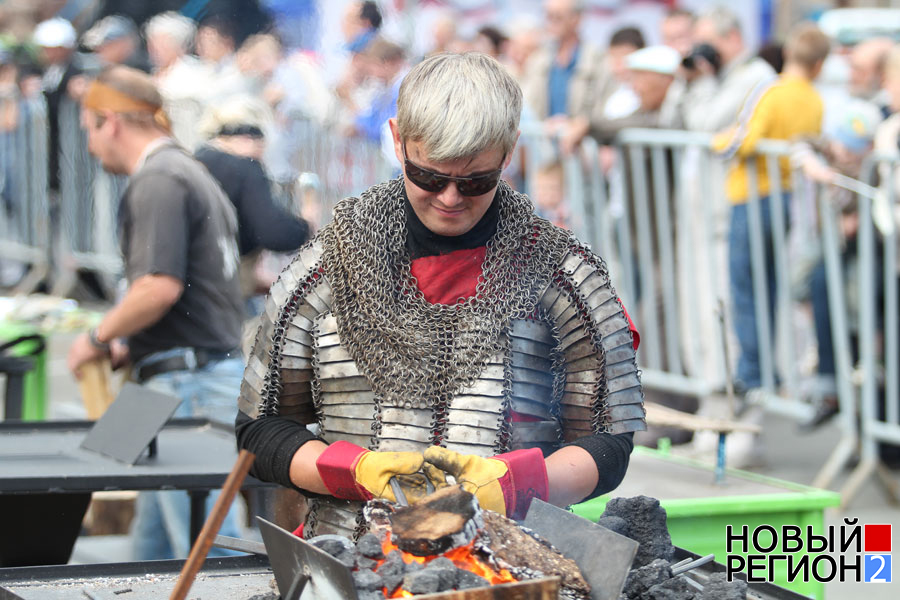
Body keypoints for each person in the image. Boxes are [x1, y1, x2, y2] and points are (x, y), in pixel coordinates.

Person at [235, 52, 644, 538]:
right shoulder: (325, 268)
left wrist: (518, 484)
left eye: (475, 181)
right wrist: (354, 471)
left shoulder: (563, 276)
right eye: (429, 176)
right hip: (352, 552)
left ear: (508, 152)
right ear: (397, 140)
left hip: (513, 557)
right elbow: (261, 432)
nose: (450, 198)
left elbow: (610, 440)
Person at [66, 65, 246, 559]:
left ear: (111, 121)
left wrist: (97, 338)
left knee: (207, 548)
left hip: (186, 379)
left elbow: (158, 287)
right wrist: (128, 338)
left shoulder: (160, 178)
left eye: (89, 131)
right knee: (154, 546)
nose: (90, 146)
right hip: (178, 372)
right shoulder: (186, 169)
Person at [713, 22, 831, 394]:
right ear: (819, 64)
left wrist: (715, 143)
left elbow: (744, 141)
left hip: (752, 196)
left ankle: (753, 371)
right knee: (769, 286)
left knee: (745, 287)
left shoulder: (771, 91)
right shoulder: (814, 98)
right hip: (783, 198)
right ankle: (766, 370)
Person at [195, 95, 311, 307]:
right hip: (225, 292)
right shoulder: (245, 168)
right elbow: (275, 233)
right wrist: (306, 225)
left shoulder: (198, 158)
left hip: (194, 284)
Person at [680, 6, 776, 133]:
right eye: (697, 46)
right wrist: (684, 81)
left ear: (733, 36)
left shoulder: (753, 75)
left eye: (707, 44)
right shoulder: (718, 75)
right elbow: (671, 124)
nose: (702, 54)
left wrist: (701, 81)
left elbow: (708, 127)